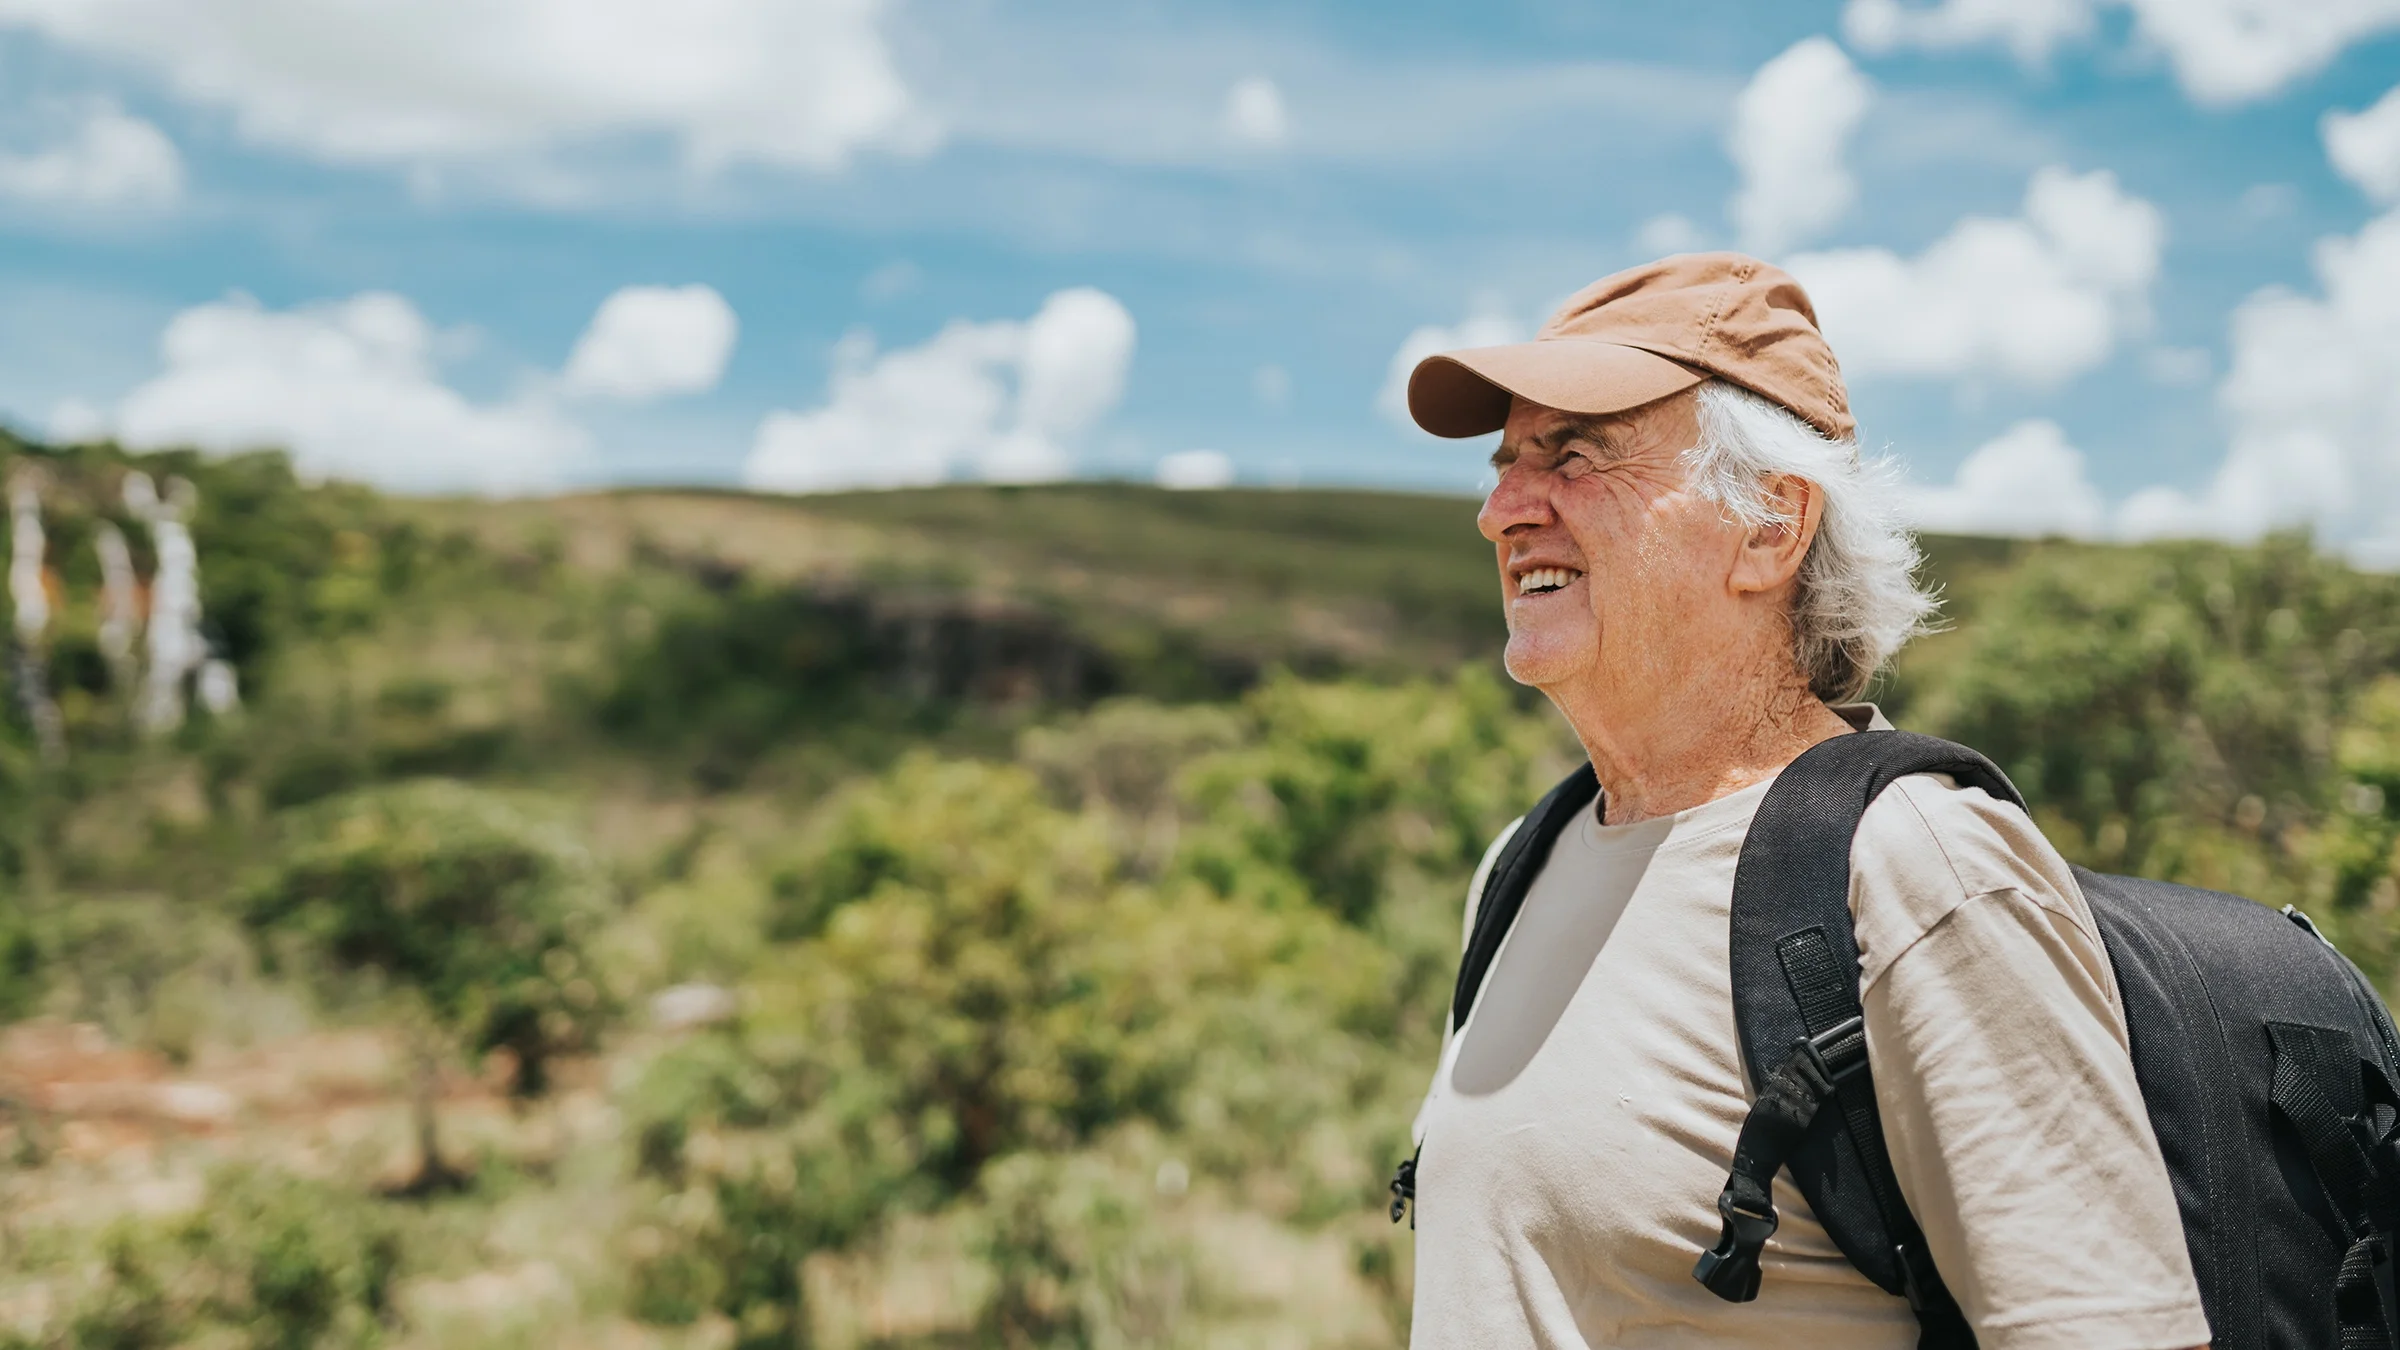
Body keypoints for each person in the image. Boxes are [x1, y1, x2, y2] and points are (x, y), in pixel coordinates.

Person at [1402, 253, 2211, 1350]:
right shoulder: (1519, 863)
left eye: (1575, 456)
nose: (1502, 511)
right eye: (1505, 467)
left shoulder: (1921, 867)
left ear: (1771, 527)